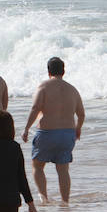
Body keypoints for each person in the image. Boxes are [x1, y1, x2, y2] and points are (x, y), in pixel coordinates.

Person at [21, 57, 86, 204]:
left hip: (47, 133)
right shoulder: (72, 89)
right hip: (67, 133)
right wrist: (78, 129)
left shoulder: (43, 87)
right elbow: (81, 114)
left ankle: (44, 198)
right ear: (63, 71)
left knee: (37, 166)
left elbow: (35, 108)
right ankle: (65, 201)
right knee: (63, 170)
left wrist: (26, 128)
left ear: (48, 71)